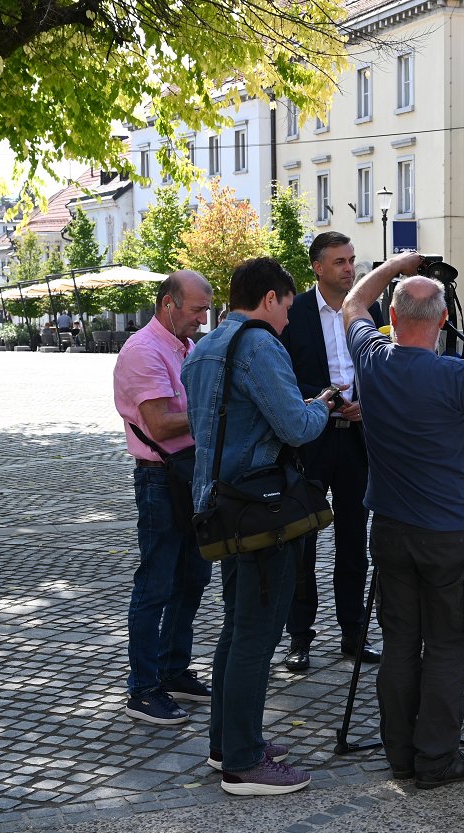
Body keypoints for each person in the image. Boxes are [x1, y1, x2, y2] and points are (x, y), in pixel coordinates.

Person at [343, 252, 464, 789]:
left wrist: (397, 265)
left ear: (393, 318)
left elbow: (354, 301)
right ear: (444, 322)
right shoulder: (458, 375)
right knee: (450, 645)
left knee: (401, 643)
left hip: (389, 526)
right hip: (448, 533)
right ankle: (435, 759)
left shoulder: (374, 358)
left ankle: (402, 755)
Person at [182, 257, 339, 797]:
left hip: (222, 507)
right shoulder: (258, 344)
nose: (288, 321)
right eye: (287, 307)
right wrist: (325, 406)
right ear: (269, 298)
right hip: (260, 507)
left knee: (237, 626)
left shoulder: (203, 347)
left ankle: (227, 741)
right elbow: (294, 426)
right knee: (256, 632)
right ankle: (244, 763)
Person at [278, 232, 385, 673]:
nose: (349, 269)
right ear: (317, 268)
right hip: (311, 438)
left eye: (352, 260)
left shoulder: (369, 312)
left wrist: (367, 401)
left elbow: (382, 366)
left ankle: (352, 632)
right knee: (301, 540)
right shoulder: (295, 313)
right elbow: (282, 376)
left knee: (353, 542)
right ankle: (299, 637)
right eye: (340, 261)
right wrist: (329, 399)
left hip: (357, 440)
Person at [114, 271, 215, 728]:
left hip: (188, 474)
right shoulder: (143, 351)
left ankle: (173, 671)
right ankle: (143, 687)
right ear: (168, 304)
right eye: (196, 310)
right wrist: (214, 409)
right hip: (160, 478)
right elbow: (160, 424)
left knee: (192, 578)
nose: (203, 318)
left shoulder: (184, 347)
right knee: (155, 585)